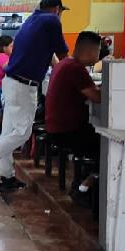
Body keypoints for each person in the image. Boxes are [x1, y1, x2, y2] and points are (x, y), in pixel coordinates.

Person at [0, 0, 69, 193]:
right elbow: (63, 55)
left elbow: (50, 56)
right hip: (24, 86)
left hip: (11, 82)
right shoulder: (52, 21)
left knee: (8, 133)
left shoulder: (33, 19)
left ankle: (7, 177)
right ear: (57, 9)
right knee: (22, 133)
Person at [47, 32, 104, 197]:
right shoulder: (76, 69)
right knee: (107, 146)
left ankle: (82, 184)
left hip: (57, 126)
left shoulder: (65, 63)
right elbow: (97, 97)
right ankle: (85, 186)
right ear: (90, 51)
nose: (98, 56)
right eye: (98, 51)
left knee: (96, 142)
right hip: (66, 129)